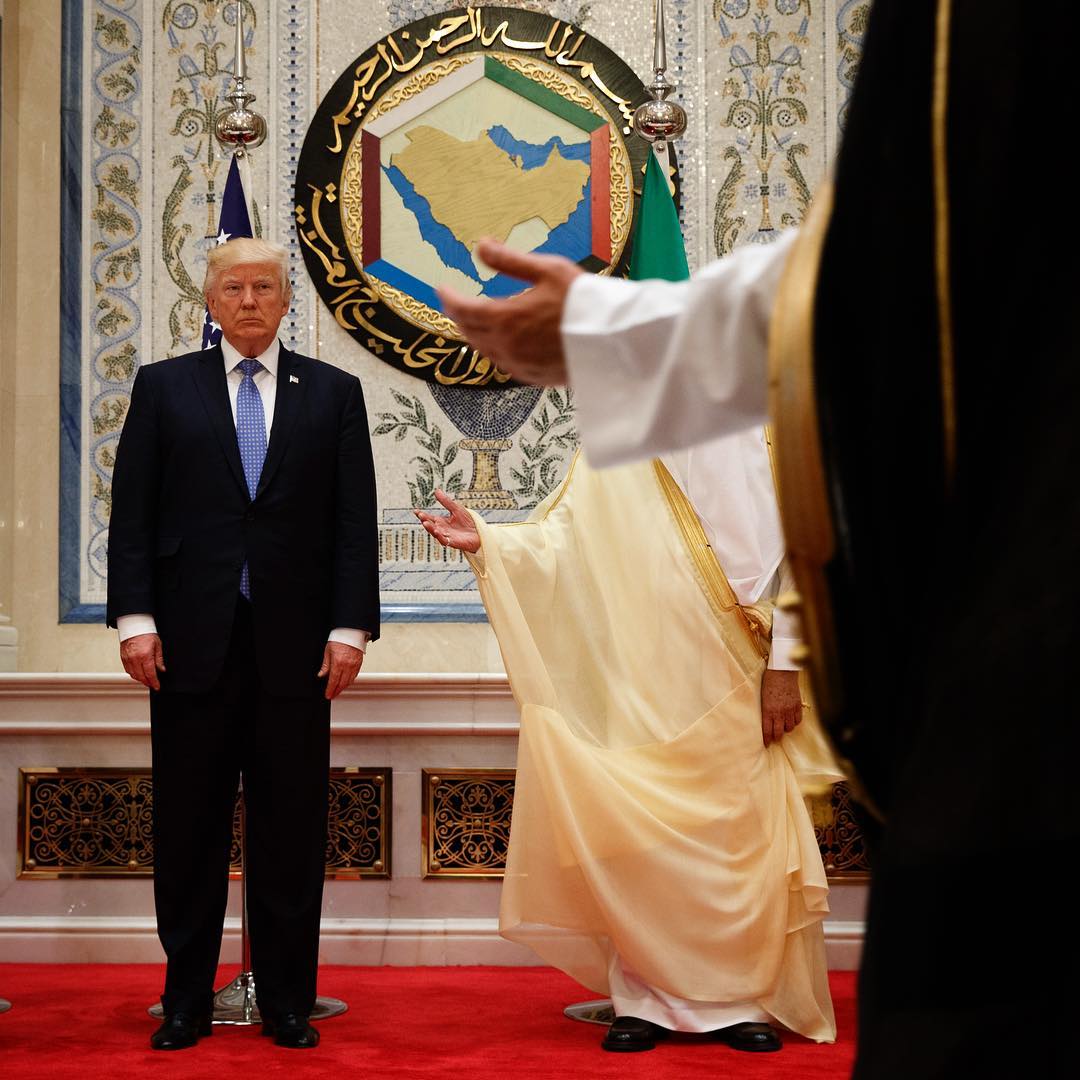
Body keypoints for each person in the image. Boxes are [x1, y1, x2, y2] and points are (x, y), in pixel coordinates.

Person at [439, 3, 1079, 1076]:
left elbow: (887, 302)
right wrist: (492, 535)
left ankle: (732, 992)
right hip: (763, 673)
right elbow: (896, 264)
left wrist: (623, 336)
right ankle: (654, 989)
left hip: (916, 654)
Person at [417, 429, 844, 1054]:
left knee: (736, 832)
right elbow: (562, 541)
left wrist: (786, 664)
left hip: (741, 668)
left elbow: (809, 550)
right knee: (644, 836)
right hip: (639, 673)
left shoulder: (780, 421)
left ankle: (741, 999)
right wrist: (492, 542)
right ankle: (642, 998)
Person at [107, 237, 380, 1051]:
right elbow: (134, 516)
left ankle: (288, 1000)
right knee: (187, 831)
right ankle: (185, 998)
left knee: (291, 832)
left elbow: (351, 525)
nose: (251, 299)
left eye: (265, 285)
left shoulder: (334, 393)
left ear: (286, 298)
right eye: (235, 287)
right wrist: (136, 622)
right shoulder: (164, 388)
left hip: (298, 652)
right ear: (211, 300)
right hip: (187, 648)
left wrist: (348, 629)